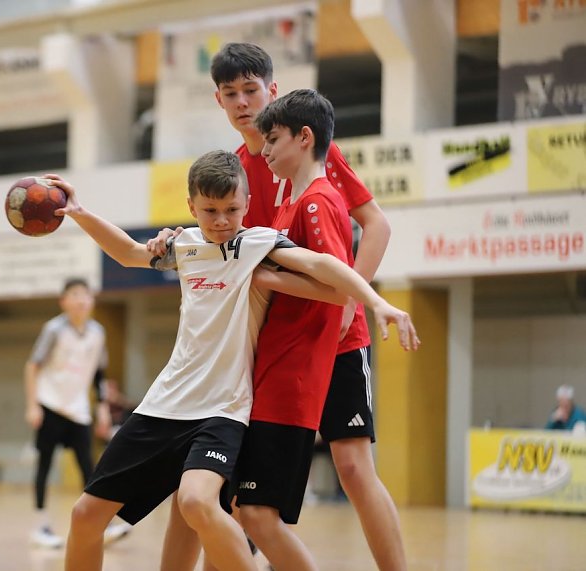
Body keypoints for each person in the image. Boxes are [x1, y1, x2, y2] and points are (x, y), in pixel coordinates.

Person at [45, 149, 419, 571]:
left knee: (196, 503)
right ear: (191, 207)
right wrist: (77, 211)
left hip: (223, 410)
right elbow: (130, 252)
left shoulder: (255, 243)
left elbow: (320, 263)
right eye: (210, 211)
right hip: (165, 403)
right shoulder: (183, 245)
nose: (222, 220)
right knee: (84, 515)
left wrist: (375, 300)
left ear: (245, 203)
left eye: (232, 209)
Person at [152, 43, 407, 571]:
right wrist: (176, 236)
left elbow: (376, 223)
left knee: (353, 465)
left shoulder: (307, 150)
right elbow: (219, 240)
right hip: (266, 341)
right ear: (218, 100)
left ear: (272, 90)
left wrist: (350, 303)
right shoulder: (235, 171)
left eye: (252, 90)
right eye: (231, 94)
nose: (243, 102)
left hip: (334, 331)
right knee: (236, 479)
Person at [25, 277, 128, 549]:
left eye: (86, 294)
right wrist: (32, 404)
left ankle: (100, 524)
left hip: (78, 410)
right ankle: (40, 525)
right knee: (45, 465)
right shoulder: (54, 329)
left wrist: (103, 408)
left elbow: (99, 375)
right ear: (64, 301)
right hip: (49, 404)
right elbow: (32, 366)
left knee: (89, 469)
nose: (82, 299)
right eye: (75, 294)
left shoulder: (98, 332)